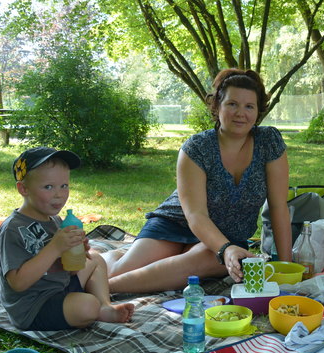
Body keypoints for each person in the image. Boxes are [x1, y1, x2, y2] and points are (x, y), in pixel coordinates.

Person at [106, 69, 292, 293]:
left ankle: (104, 288)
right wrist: (225, 249)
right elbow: (195, 215)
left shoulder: (269, 142)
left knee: (211, 260)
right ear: (217, 106)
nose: (240, 113)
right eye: (232, 104)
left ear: (258, 111)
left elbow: (279, 207)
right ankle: (109, 263)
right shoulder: (196, 148)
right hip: (176, 223)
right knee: (121, 269)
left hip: (226, 240)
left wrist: (286, 267)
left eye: (249, 106)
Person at [0, 147, 134, 331]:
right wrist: (54, 247)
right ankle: (95, 309)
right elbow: (18, 283)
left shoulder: (53, 220)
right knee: (87, 306)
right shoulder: (13, 229)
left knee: (96, 259)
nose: (59, 194)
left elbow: (69, 270)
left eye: (64, 186)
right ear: (23, 189)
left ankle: (105, 306)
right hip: (34, 306)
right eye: (48, 187)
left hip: (60, 287)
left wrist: (76, 253)